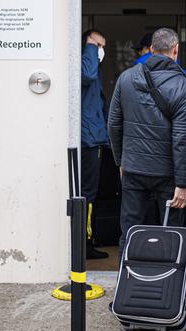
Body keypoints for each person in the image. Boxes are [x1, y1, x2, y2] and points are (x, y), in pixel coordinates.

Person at [108, 28, 186, 253]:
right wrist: (183, 183)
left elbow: (114, 125)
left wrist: (121, 161)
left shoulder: (126, 78)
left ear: (151, 49)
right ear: (175, 50)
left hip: (134, 167)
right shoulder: (183, 85)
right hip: (167, 173)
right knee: (171, 233)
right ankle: (168, 284)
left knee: (130, 230)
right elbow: (183, 137)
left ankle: (127, 282)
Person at [80, 29, 110, 259]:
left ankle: (87, 242)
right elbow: (87, 76)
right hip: (87, 140)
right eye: (99, 45)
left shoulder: (91, 67)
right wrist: (90, 46)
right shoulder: (84, 65)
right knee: (87, 195)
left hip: (94, 138)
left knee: (92, 194)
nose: (101, 51)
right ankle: (84, 245)